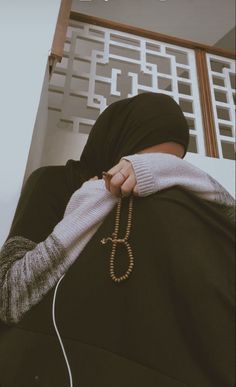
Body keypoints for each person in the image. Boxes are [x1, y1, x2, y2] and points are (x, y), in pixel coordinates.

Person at [0, 93, 234, 387]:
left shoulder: (165, 201)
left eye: (171, 166)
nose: (153, 176)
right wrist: (95, 202)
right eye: (143, 159)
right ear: (119, 142)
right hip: (42, 361)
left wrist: (159, 172)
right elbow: (9, 296)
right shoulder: (53, 182)